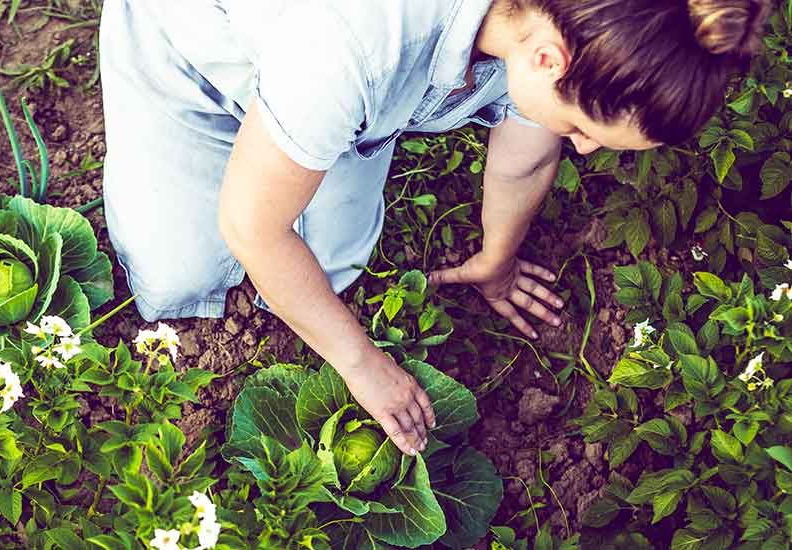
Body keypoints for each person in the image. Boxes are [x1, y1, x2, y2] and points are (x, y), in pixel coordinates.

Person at [99, 0, 771, 456]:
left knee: (330, 269)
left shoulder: (563, 25)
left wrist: (497, 260)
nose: (584, 151)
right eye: (581, 130)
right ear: (546, 59)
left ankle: (319, 142)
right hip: (198, 57)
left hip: (337, 98)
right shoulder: (351, 45)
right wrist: (363, 365)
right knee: (177, 277)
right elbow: (252, 227)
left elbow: (525, 150)